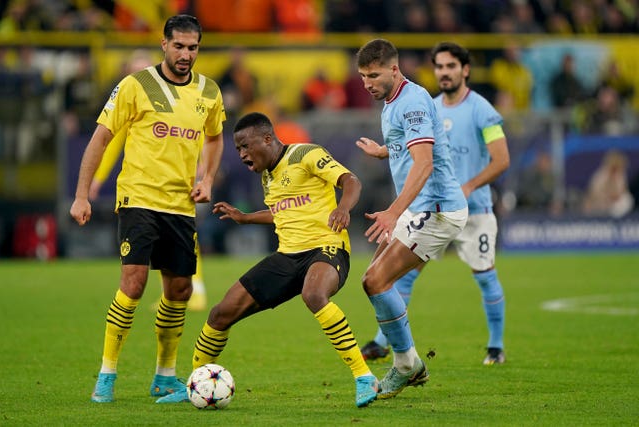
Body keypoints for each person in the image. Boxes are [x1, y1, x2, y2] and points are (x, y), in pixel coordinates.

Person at [156, 112, 379, 407]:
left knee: (314, 294)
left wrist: (343, 208)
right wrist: (246, 218)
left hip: (327, 248)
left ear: (267, 138)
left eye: (246, 146)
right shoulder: (268, 177)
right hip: (287, 256)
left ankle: (364, 377)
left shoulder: (305, 153)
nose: (242, 154)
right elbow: (282, 212)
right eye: (238, 150)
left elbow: (351, 181)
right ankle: (196, 385)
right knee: (221, 313)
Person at [69, 15, 226, 403]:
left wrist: (206, 178)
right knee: (134, 283)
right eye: (179, 46)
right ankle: (107, 374)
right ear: (164, 44)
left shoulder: (209, 91)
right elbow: (101, 139)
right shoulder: (135, 86)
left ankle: (165, 376)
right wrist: (81, 194)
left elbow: (215, 137)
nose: (186, 54)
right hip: (138, 198)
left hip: (180, 205)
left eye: (193, 47)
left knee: (180, 289)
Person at [360, 42, 510, 367]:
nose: (443, 72)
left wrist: (469, 185)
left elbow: (501, 160)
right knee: (394, 277)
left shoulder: (481, 109)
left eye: (450, 66)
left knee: (484, 275)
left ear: (465, 70)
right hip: (427, 203)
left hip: (464, 205)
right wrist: (386, 151)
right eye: (439, 66)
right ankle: (386, 344)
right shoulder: (428, 103)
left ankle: (495, 346)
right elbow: (419, 145)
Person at [354, 39, 468, 399]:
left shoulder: (413, 101)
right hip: (420, 208)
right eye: (362, 76)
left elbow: (425, 163)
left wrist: (393, 211)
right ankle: (406, 360)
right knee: (374, 281)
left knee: (376, 280)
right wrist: (385, 150)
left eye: (373, 75)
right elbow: (411, 144)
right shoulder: (392, 101)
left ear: (393, 69)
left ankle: (407, 365)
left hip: (436, 209)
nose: (367, 83)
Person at [88, 48, 209, 312]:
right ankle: (181, 291)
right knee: (158, 242)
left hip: (177, 179)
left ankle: (196, 289)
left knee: (185, 237)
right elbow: (112, 142)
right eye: (135, 71)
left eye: (143, 70)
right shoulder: (130, 101)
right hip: (146, 188)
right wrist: (96, 179)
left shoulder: (175, 97)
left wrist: (203, 169)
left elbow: (192, 132)